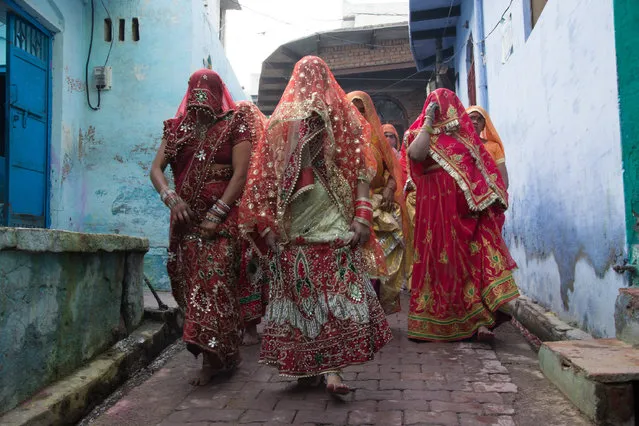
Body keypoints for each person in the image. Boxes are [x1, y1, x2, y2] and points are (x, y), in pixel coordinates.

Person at [239, 56, 392, 394]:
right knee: (300, 290)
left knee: (336, 287)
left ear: (326, 80)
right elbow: (268, 175)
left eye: (315, 77)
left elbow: (360, 171)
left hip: (335, 212)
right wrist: (266, 223)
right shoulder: (282, 123)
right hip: (295, 219)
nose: (309, 85)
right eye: (303, 78)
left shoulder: (347, 120)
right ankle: (309, 365)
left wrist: (362, 216)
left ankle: (334, 370)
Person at [150, 69, 258, 385]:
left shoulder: (234, 124)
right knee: (192, 287)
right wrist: (171, 198)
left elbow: (240, 174)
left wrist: (219, 212)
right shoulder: (175, 130)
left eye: (207, 87)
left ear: (218, 90)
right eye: (195, 87)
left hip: (223, 222)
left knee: (216, 282)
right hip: (185, 222)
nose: (201, 93)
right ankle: (219, 353)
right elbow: (156, 170)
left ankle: (215, 357)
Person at [405, 88, 519, 342]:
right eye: (433, 104)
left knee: (469, 262)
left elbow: (483, 174)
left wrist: (487, 202)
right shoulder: (418, 134)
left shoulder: (465, 140)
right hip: (433, 214)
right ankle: (433, 324)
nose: (440, 108)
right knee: (438, 264)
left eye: (444, 104)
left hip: (465, 213)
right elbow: (416, 155)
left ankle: (479, 322)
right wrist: (428, 122)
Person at [347, 91, 411, 314]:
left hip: (379, 206)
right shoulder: (341, 139)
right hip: (349, 206)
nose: (357, 113)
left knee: (379, 260)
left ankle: (375, 310)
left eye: (361, 109)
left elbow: (394, 171)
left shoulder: (378, 140)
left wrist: (390, 189)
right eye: (352, 108)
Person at [234, 101, 269, 346]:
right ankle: (243, 327)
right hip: (236, 216)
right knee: (241, 271)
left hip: (252, 219)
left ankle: (250, 328)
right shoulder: (234, 142)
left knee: (251, 271)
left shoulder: (262, 147)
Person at [467, 106, 509, 188]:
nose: (475, 121)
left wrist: (501, 196)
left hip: (492, 195)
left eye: (480, 119)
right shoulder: (459, 145)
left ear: (483, 126)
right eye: (472, 118)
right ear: (465, 121)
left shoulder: (494, 147)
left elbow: (503, 178)